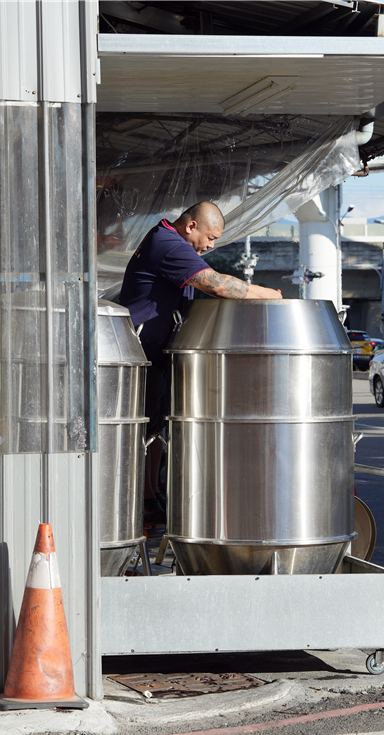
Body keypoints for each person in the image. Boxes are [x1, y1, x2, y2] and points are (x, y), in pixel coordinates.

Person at [119, 201, 281, 523]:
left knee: (155, 424)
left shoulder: (168, 239)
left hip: (156, 350)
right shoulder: (168, 243)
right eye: (211, 237)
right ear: (191, 226)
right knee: (143, 427)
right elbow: (217, 284)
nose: (210, 246)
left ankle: (153, 493)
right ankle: (144, 499)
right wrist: (269, 294)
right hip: (142, 349)